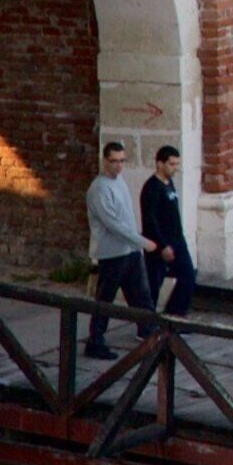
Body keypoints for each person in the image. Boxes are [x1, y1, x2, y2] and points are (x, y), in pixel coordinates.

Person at [83, 141, 148, 356]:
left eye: (122, 161)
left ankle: (148, 331)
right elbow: (113, 224)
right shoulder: (99, 188)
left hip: (129, 251)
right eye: (114, 161)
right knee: (105, 300)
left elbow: (127, 217)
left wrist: (136, 243)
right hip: (112, 254)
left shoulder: (119, 181)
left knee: (140, 295)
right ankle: (95, 341)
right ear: (105, 161)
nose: (119, 166)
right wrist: (141, 241)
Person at [140, 144, 197, 316]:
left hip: (177, 240)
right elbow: (150, 220)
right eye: (171, 164)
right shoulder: (152, 188)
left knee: (188, 276)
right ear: (160, 164)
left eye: (177, 164)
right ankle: (147, 321)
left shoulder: (169, 183)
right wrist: (163, 245)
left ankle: (173, 316)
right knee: (153, 284)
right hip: (159, 244)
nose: (175, 168)